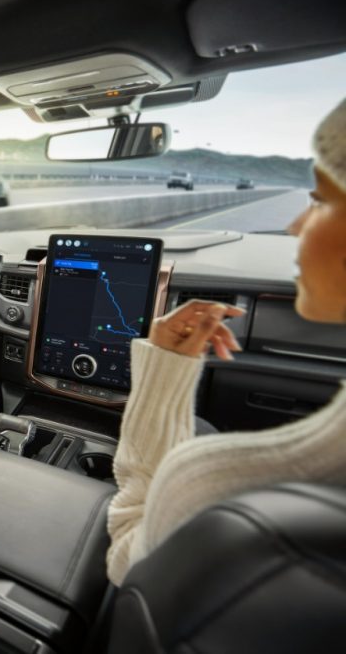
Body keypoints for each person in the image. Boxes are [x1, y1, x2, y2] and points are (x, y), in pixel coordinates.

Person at [106, 98, 346, 586]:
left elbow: (127, 552)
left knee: (196, 427)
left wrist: (160, 377)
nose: (294, 226)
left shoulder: (211, 484)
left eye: (320, 201)